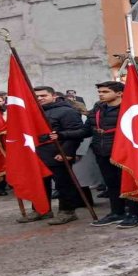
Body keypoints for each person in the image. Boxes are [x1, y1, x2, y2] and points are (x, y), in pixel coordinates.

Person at [76, 81, 138, 229]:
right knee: (112, 185)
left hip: (125, 153)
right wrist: (61, 135)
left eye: (105, 92)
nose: (101, 94)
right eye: (100, 92)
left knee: (129, 183)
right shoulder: (98, 108)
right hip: (102, 152)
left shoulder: (129, 108)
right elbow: (86, 130)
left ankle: (134, 214)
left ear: (119, 93)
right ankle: (117, 212)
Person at [30, 86, 89, 225]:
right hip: (38, 153)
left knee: (63, 184)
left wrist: (67, 152)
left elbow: (76, 133)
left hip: (58, 152)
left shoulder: (67, 111)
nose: (39, 98)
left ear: (53, 96)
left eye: (43, 95)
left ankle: (67, 211)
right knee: (39, 184)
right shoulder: (33, 112)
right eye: (36, 96)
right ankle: (41, 210)